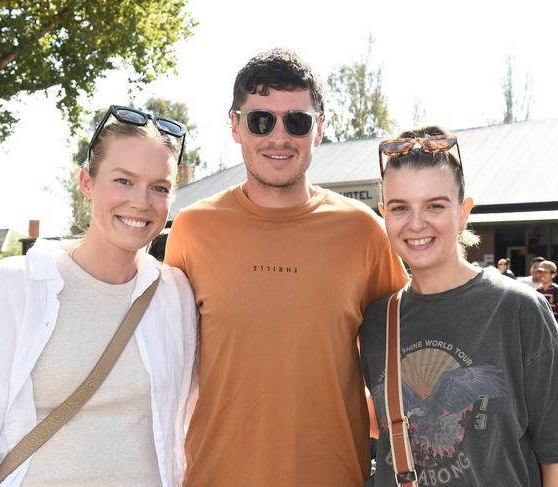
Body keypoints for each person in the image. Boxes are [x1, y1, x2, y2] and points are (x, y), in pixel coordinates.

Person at [165, 48, 408, 486]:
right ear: (235, 126)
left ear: (319, 131)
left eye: (297, 121)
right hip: (213, 476)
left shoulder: (363, 231)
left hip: (334, 476)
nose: (279, 136)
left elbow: (411, 349)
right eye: (261, 120)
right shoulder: (192, 228)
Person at [0, 105, 197, 486]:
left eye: (159, 187)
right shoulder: (13, 288)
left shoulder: (176, 294)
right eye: (123, 180)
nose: (141, 202)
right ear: (86, 182)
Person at [360, 126, 558, 486]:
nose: (416, 223)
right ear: (383, 215)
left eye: (435, 205)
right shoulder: (377, 320)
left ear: (464, 212)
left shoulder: (519, 309)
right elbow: (380, 427)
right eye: (400, 207)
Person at [536, 260, 558, 336]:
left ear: (553, 274)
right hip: (541, 334)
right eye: (540, 272)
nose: (542, 275)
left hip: (555, 334)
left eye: (545, 272)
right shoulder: (537, 291)